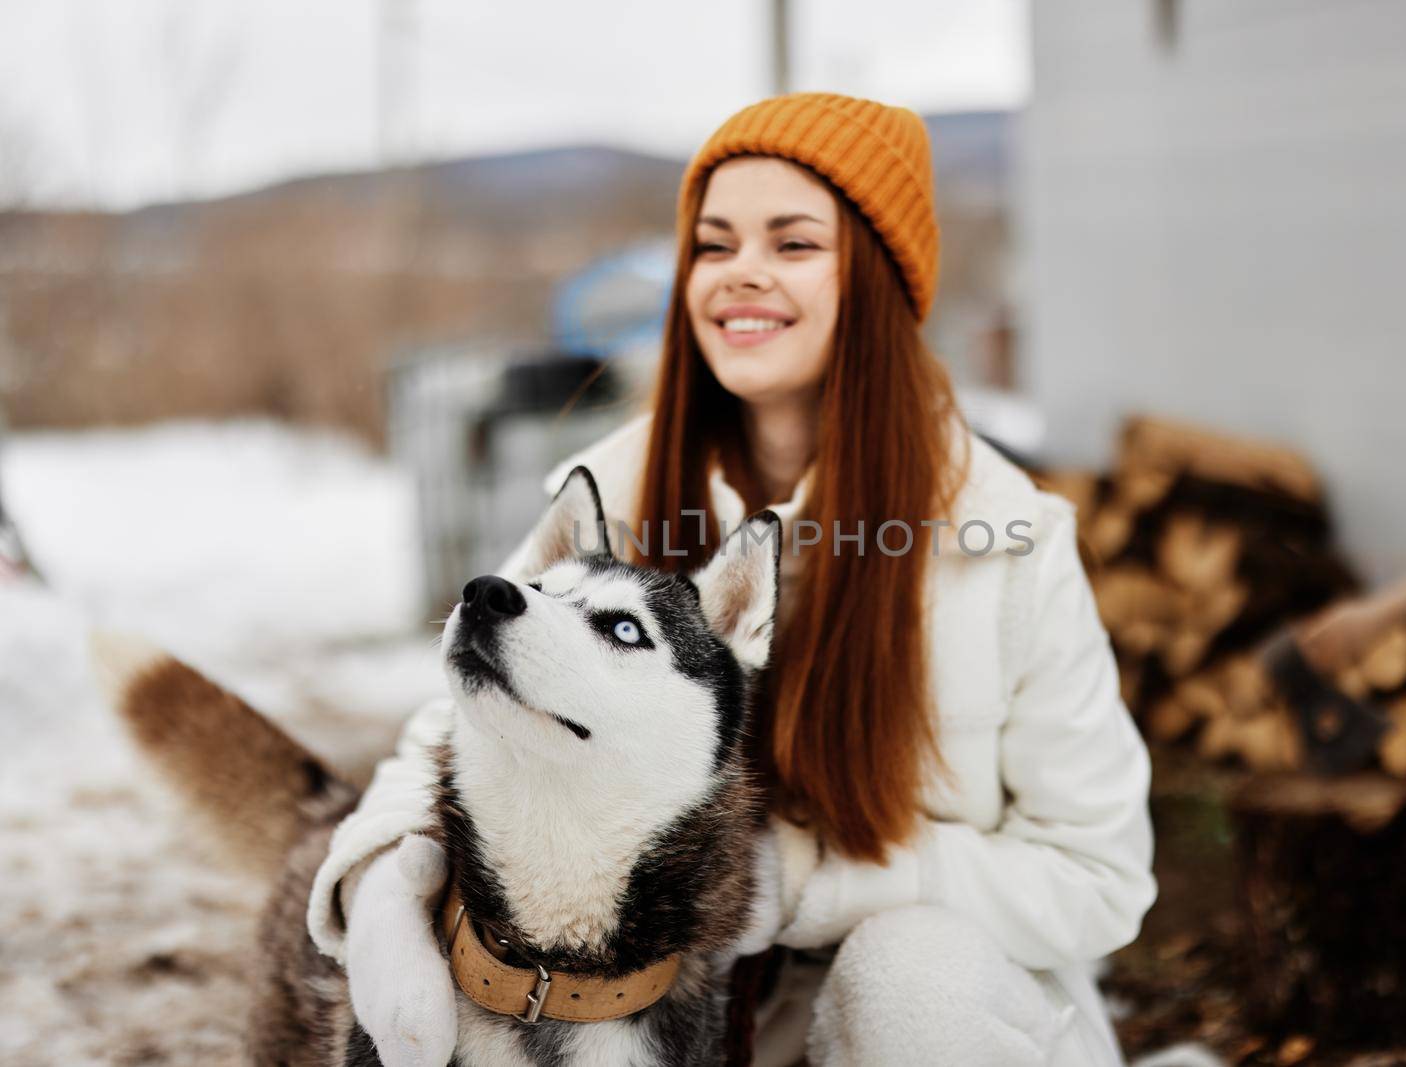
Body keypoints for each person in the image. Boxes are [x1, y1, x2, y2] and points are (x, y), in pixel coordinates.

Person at [306, 92, 1157, 1066]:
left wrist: (793, 884)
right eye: (713, 246)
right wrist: (384, 882)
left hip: (961, 1022)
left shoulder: (1003, 543)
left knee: (908, 977)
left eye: (792, 244)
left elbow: (1098, 876)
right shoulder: (615, 494)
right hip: (684, 1018)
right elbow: (459, 722)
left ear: (874, 281)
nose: (740, 273)